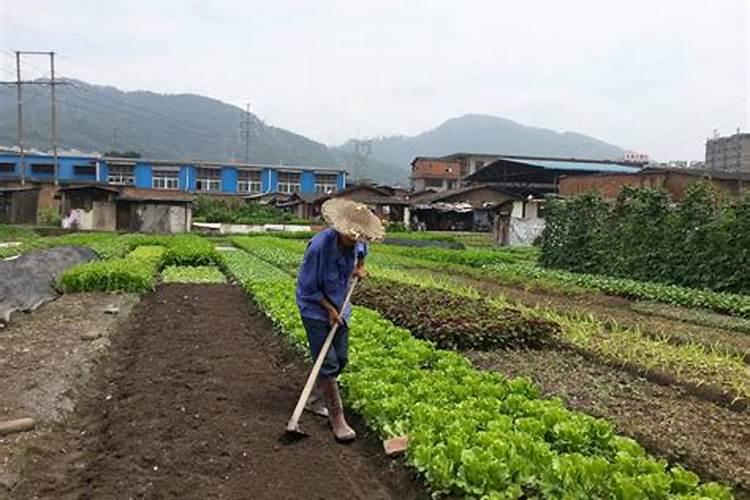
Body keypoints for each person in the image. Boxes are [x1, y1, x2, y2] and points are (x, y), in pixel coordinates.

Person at [295, 198, 385, 442]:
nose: (355, 240)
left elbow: (362, 252)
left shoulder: (357, 242)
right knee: (328, 362)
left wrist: (360, 267)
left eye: (358, 237)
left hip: (341, 304)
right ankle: (337, 418)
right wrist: (328, 309)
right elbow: (307, 288)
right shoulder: (318, 248)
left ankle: (314, 399)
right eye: (351, 236)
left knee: (341, 358)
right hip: (315, 308)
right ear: (339, 229)